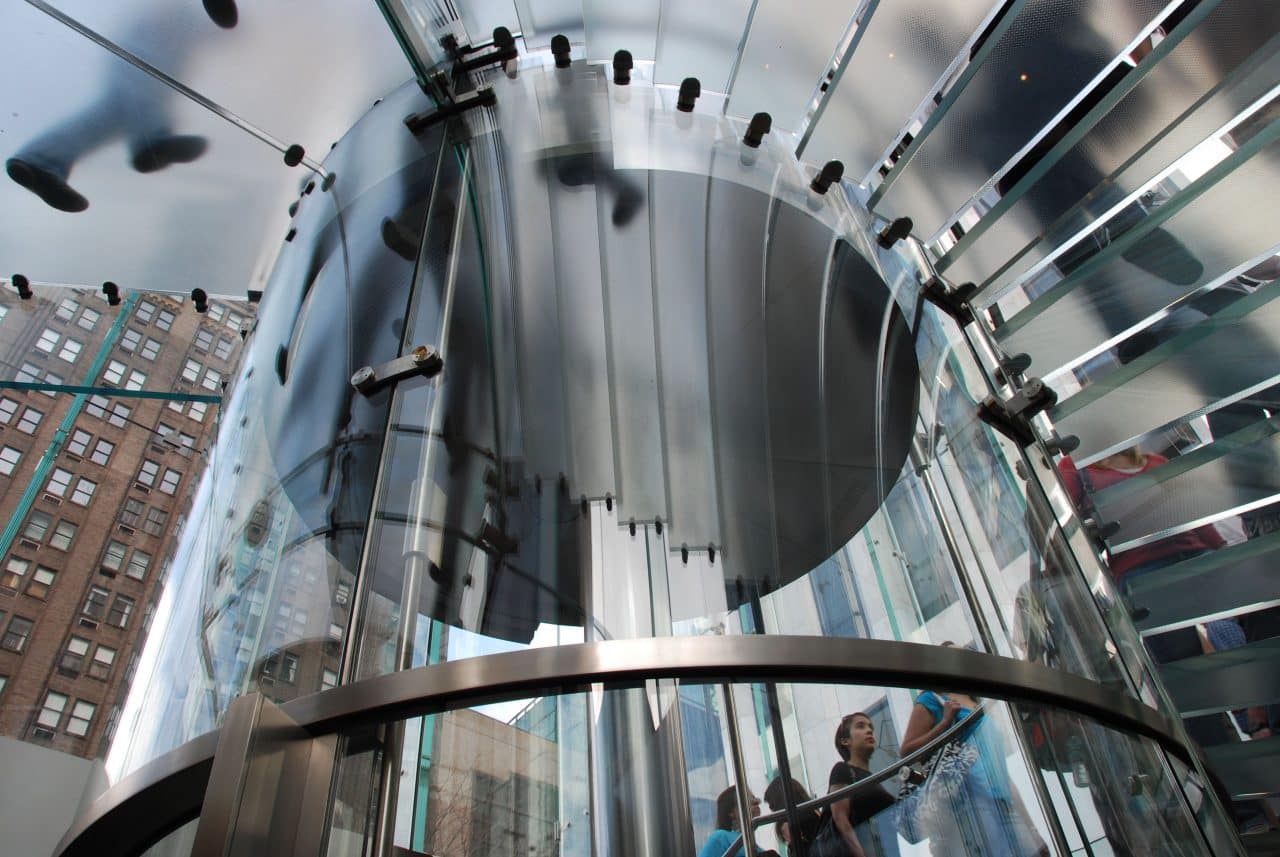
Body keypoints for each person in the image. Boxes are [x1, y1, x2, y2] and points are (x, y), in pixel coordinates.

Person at [5, 1, 237, 212]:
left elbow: (230, 30)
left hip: (149, 50)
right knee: (140, 94)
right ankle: (153, 140)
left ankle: (40, 163)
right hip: (145, 44)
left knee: (115, 113)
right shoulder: (160, 21)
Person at [899, 649, 1047, 856]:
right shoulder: (933, 698)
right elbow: (907, 751)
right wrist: (945, 723)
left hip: (1002, 798)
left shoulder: (976, 702)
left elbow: (1001, 770)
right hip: (973, 800)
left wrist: (1032, 829)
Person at [826, 712, 898, 857]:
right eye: (860, 726)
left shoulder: (873, 779)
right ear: (845, 741)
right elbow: (840, 817)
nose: (869, 730)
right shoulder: (842, 769)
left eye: (870, 727)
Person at [698, 786, 779, 857]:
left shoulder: (753, 844)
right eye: (747, 799)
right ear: (731, 812)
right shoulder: (720, 837)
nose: (756, 801)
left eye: (753, 797)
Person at [763, 777, 824, 852]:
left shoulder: (796, 821)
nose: (773, 811)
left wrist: (793, 843)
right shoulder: (812, 811)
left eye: (772, 805)